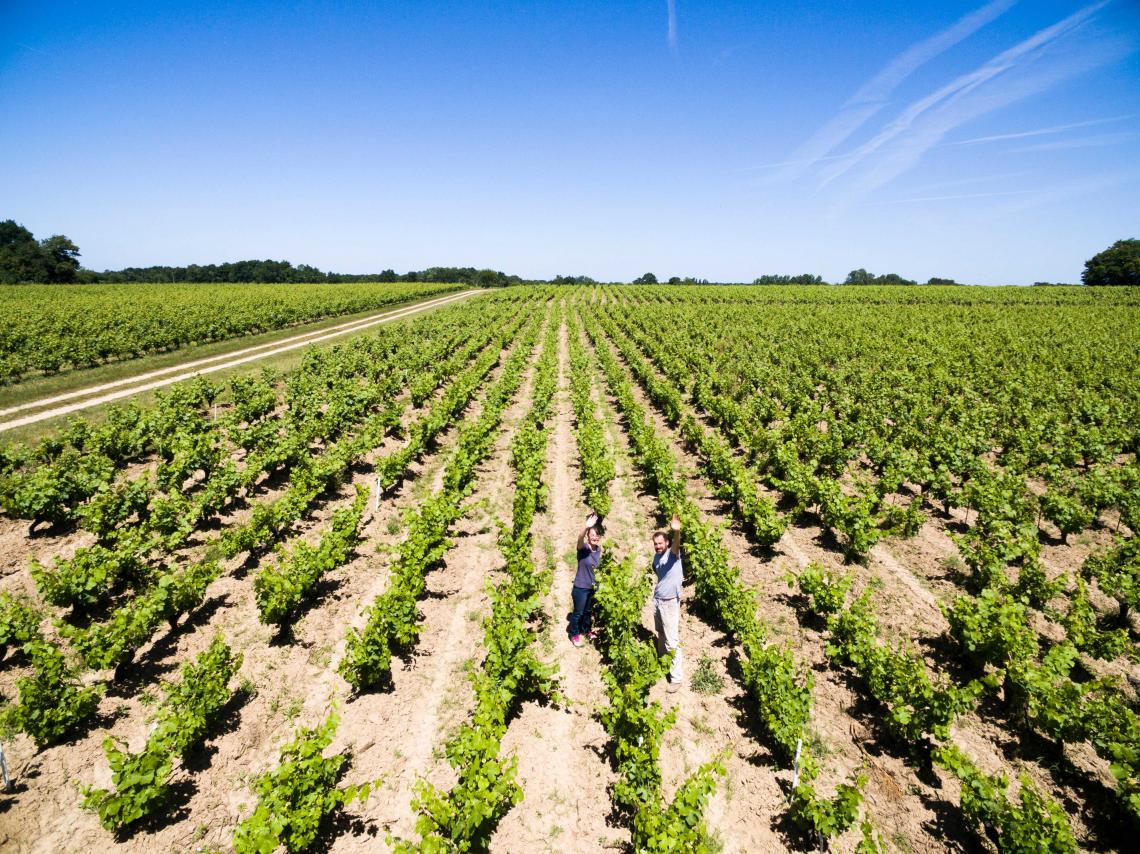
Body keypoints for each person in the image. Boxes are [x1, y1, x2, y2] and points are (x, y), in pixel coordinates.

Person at [652, 514, 684, 690]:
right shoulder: (656, 558)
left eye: (660, 543)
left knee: (672, 640)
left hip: (670, 602)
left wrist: (676, 532)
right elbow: (660, 576)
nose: (658, 546)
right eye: (655, 544)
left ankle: (676, 678)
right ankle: (662, 661)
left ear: (667, 543)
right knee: (661, 634)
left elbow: (677, 543)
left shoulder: (673, 554)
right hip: (658, 600)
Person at [570, 512, 602, 647]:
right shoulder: (583, 549)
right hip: (581, 587)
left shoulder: (599, 550)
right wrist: (586, 526)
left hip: (592, 587)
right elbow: (579, 538)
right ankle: (574, 634)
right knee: (578, 612)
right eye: (592, 534)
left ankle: (587, 630)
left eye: (597, 535)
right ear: (588, 536)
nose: (594, 537)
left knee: (588, 611)